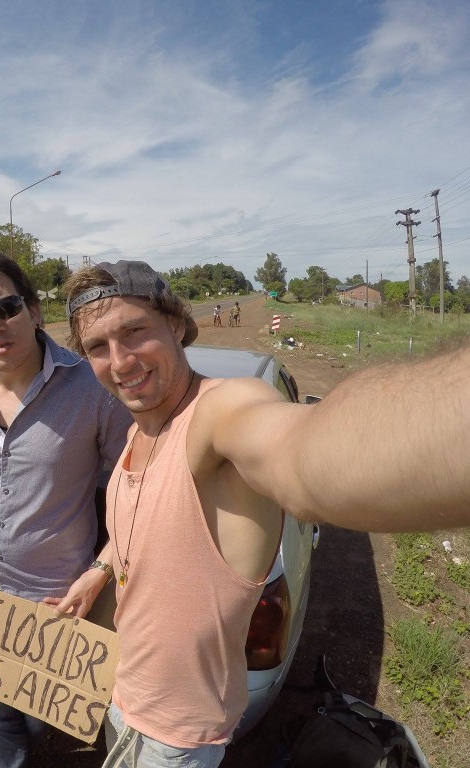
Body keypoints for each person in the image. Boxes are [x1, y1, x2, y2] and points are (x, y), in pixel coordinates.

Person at [62, 260, 470, 768]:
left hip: (174, 738)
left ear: (174, 323)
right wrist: (100, 571)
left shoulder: (217, 415)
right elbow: (141, 526)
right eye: (98, 347)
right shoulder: (137, 434)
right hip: (122, 698)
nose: (119, 361)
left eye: (134, 332)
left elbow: (301, 453)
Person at [0, 252, 133, 768]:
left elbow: (135, 491)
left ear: (35, 311)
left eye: (6, 307)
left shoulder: (94, 390)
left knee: (44, 719)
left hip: (55, 598)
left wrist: (100, 570)